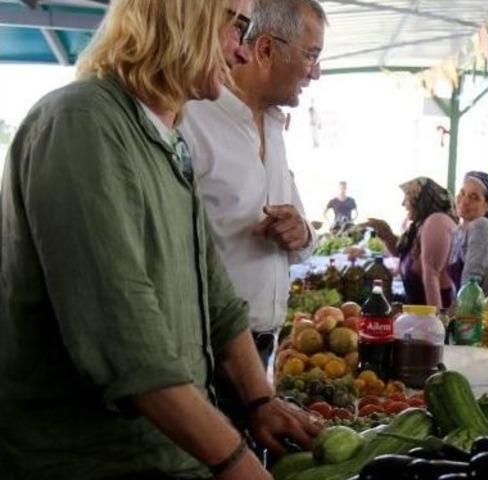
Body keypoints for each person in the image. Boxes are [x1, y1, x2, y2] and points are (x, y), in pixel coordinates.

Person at [0, 1, 320, 478]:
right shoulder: (82, 122)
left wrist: (260, 399)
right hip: (95, 460)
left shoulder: (168, 138)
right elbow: (126, 341)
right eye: (237, 27)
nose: (241, 51)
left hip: (166, 453)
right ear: (182, 15)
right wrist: (239, 463)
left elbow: (216, 293)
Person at [181, 0, 325, 374]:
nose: (316, 72)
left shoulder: (274, 125)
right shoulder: (190, 119)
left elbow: (306, 237)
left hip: (261, 348)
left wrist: (300, 232)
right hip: (204, 349)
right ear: (265, 50)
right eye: (311, 55)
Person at [367, 177, 457, 309]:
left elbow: (432, 277)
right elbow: (403, 253)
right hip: (419, 316)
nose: (403, 203)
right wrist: (386, 233)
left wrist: (436, 319)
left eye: (407, 196)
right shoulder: (419, 225)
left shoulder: (436, 222)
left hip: (432, 316)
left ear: (420, 199)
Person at [449, 170, 488, 293]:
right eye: (462, 193)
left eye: (474, 197)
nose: (464, 201)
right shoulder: (458, 231)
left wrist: (460, 303)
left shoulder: (481, 226)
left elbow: (471, 278)